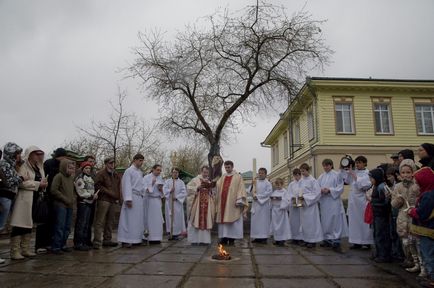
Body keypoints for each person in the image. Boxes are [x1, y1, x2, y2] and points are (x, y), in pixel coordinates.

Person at [9, 146, 47, 260]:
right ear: (30, 154)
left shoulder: (39, 167)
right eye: (36, 153)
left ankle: (25, 249)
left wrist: (43, 185)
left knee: (29, 224)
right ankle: (14, 251)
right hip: (24, 199)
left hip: (36, 198)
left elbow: (40, 181)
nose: (39, 156)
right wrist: (37, 185)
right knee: (19, 224)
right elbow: (20, 182)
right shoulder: (23, 166)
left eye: (40, 154)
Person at [391, 160, 420, 271]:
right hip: (403, 216)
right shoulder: (398, 186)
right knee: (405, 241)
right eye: (403, 172)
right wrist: (398, 200)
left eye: (408, 172)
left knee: (415, 241)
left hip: (414, 215)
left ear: (413, 172)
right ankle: (410, 260)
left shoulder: (417, 185)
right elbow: (393, 204)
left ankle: (419, 264)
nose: (406, 175)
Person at [408, 166, 434, 287]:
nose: (417, 186)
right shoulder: (429, 193)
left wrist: (412, 211)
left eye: (418, 183)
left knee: (428, 255)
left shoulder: (428, 195)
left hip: (427, 230)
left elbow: (422, 214)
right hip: (429, 229)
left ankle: (432, 279)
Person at [341, 156, 374, 249]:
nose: (357, 165)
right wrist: (347, 171)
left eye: (359, 163)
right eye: (356, 163)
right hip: (353, 201)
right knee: (354, 222)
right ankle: (356, 241)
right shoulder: (354, 171)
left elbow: (364, 186)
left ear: (364, 163)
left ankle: (366, 242)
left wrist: (353, 175)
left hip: (362, 201)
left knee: (363, 222)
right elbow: (347, 181)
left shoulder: (368, 173)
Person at [40, 147, 68, 252]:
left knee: (53, 221)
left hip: (53, 195)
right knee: (52, 221)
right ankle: (48, 243)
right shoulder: (51, 164)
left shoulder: (49, 163)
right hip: (52, 196)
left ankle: (49, 243)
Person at [0, 143, 24, 263]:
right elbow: (10, 182)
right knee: (0, 225)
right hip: (5, 196)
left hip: (10, 196)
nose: (18, 156)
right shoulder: (4, 164)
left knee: (2, 226)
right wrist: (21, 178)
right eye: (16, 153)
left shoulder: (11, 165)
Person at [317, 159, 348, 251]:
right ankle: (327, 239)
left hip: (333, 201)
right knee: (325, 221)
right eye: (324, 166)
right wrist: (321, 190)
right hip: (324, 202)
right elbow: (316, 187)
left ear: (331, 165)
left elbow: (340, 187)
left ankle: (336, 240)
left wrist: (330, 190)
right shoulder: (321, 176)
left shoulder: (337, 175)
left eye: (327, 165)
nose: (325, 167)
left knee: (335, 220)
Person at [215, 160, 248, 246]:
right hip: (223, 202)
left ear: (232, 167)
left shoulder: (238, 177)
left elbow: (241, 188)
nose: (227, 169)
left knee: (233, 221)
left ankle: (232, 239)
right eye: (225, 167)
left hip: (232, 203)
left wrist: (239, 200)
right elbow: (218, 186)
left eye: (228, 167)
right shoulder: (223, 176)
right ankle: (224, 238)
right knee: (224, 220)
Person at [117, 154, 145, 248]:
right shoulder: (129, 171)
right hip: (132, 196)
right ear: (135, 160)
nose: (141, 163)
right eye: (140, 160)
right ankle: (125, 240)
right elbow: (126, 185)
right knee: (128, 219)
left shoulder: (140, 172)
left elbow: (142, 185)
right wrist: (128, 199)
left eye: (142, 161)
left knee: (137, 220)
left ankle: (136, 238)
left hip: (138, 198)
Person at [93, 157, 121, 249]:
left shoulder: (116, 174)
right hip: (103, 199)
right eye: (110, 163)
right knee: (100, 221)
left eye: (113, 163)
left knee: (110, 221)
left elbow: (118, 187)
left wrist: (118, 197)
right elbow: (97, 185)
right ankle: (97, 241)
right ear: (106, 164)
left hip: (113, 200)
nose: (112, 164)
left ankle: (107, 240)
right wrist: (109, 192)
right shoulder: (101, 173)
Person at [50, 159, 76, 254]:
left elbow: (73, 191)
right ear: (64, 167)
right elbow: (54, 190)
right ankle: (56, 246)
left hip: (69, 205)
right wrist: (65, 199)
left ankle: (63, 244)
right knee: (60, 226)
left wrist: (73, 199)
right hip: (61, 205)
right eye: (70, 168)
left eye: (73, 168)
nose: (72, 170)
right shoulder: (59, 176)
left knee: (67, 227)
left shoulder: (71, 178)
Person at [187, 166, 215, 245]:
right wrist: (197, 188)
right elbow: (188, 188)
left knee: (206, 220)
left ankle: (205, 240)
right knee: (195, 220)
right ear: (201, 171)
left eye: (207, 172)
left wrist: (211, 190)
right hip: (197, 204)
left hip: (207, 204)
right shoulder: (195, 180)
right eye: (204, 172)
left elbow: (215, 192)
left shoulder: (210, 181)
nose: (205, 174)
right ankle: (195, 240)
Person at [369, 168, 392, 262]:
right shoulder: (376, 186)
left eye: (372, 178)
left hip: (382, 215)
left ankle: (384, 255)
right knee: (376, 234)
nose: (370, 180)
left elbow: (386, 202)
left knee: (382, 234)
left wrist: (373, 202)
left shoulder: (381, 187)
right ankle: (379, 253)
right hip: (377, 213)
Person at [73, 161, 97, 251]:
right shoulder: (80, 178)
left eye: (89, 168)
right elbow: (81, 192)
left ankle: (84, 241)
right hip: (83, 203)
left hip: (90, 202)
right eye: (86, 168)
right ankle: (78, 243)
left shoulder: (90, 179)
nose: (88, 170)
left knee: (87, 224)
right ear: (82, 169)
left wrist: (94, 195)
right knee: (81, 223)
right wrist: (91, 196)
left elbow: (91, 189)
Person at [297, 163, 322, 248]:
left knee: (311, 223)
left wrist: (306, 197)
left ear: (308, 170)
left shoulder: (313, 181)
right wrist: (299, 198)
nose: (302, 173)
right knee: (304, 223)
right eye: (301, 171)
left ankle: (312, 241)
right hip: (304, 205)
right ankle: (306, 239)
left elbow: (317, 193)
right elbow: (299, 190)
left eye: (303, 171)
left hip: (310, 205)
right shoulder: (301, 180)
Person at [250, 167, 273, 244]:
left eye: (262, 173)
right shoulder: (255, 182)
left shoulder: (268, 183)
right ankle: (257, 236)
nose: (260, 174)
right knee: (256, 221)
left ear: (265, 174)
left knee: (263, 221)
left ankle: (263, 237)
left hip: (263, 205)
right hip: (256, 204)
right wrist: (253, 194)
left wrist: (258, 197)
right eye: (259, 173)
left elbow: (269, 193)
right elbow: (251, 190)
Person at [163, 168, 187, 240]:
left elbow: (184, 192)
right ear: (171, 173)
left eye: (176, 172)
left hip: (177, 203)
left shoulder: (181, 182)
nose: (175, 174)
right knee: (170, 218)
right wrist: (170, 190)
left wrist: (176, 197)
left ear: (178, 173)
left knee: (176, 219)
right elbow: (164, 190)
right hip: (169, 203)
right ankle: (170, 233)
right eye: (173, 172)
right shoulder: (167, 182)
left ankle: (176, 234)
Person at [143, 164, 164, 244]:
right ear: (153, 169)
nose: (159, 172)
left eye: (160, 170)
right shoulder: (146, 177)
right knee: (150, 219)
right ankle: (149, 237)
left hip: (157, 201)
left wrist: (161, 189)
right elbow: (144, 189)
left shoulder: (160, 178)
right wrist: (151, 183)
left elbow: (163, 193)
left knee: (158, 220)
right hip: (150, 201)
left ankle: (157, 237)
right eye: (158, 170)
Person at [284, 168, 303, 245]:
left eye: (298, 175)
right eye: (295, 175)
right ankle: (294, 237)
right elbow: (288, 194)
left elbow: (303, 191)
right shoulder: (291, 184)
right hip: (293, 204)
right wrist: (292, 197)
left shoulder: (303, 183)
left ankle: (301, 238)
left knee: (301, 221)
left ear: (300, 175)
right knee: (293, 222)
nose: (296, 176)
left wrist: (299, 197)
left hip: (301, 205)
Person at [270, 178, 290, 246]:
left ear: (282, 184)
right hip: (275, 211)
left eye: (279, 185)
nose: (278, 186)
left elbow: (288, 200)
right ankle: (277, 239)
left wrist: (281, 199)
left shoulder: (285, 192)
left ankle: (282, 240)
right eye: (277, 185)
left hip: (281, 211)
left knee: (282, 226)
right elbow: (271, 200)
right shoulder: (274, 192)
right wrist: (272, 199)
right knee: (275, 226)